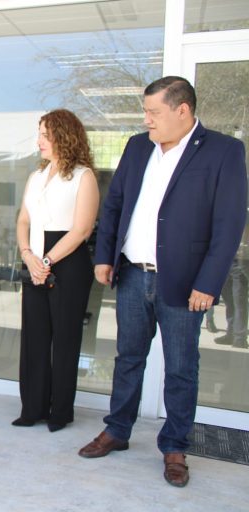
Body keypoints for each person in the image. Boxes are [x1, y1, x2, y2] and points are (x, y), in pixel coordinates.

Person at [78, 77, 247, 487]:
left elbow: (229, 226)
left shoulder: (224, 151)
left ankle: (175, 446)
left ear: (182, 110)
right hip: (134, 273)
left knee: (181, 369)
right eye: (145, 112)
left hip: (185, 282)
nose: (146, 119)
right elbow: (116, 202)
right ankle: (117, 430)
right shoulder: (138, 146)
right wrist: (105, 256)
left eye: (153, 112)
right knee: (128, 358)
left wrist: (208, 283)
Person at [13, 109, 99, 432]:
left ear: (65, 136)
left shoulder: (83, 176)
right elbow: (24, 219)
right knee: (34, 337)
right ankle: (32, 408)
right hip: (34, 258)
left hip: (67, 264)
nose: (40, 141)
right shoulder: (36, 177)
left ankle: (60, 412)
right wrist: (28, 255)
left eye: (46, 135)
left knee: (64, 340)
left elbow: (81, 230)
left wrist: (46, 262)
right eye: (39, 134)